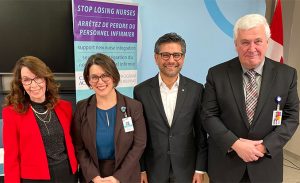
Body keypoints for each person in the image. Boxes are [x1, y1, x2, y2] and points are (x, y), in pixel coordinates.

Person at [202, 14, 299, 183]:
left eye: (258, 41)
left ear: (267, 42)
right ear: (236, 45)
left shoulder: (287, 75)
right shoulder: (217, 74)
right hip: (226, 164)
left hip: (266, 164)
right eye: (245, 42)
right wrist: (235, 144)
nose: (252, 48)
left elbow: (292, 117)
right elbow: (208, 115)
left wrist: (264, 147)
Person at [134, 32, 208, 183]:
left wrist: (199, 169)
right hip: (153, 169)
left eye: (177, 55)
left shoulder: (196, 90)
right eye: (165, 55)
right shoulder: (141, 91)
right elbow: (139, 135)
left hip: (186, 169)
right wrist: (141, 168)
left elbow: (201, 133)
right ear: (156, 58)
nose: (171, 60)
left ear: (183, 58)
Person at [72, 53, 146, 183]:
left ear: (113, 77)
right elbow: (79, 147)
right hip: (93, 176)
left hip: (126, 176)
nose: (100, 81)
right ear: (89, 80)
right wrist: (94, 176)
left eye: (105, 75)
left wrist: (118, 177)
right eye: (94, 77)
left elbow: (139, 145)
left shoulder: (133, 107)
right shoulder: (82, 108)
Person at [2, 56, 78, 183]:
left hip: (67, 175)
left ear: (46, 78)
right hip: (33, 179)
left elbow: (74, 143)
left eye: (37, 77)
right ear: (20, 83)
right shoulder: (12, 113)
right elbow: (11, 158)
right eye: (27, 80)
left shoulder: (65, 107)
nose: (33, 84)